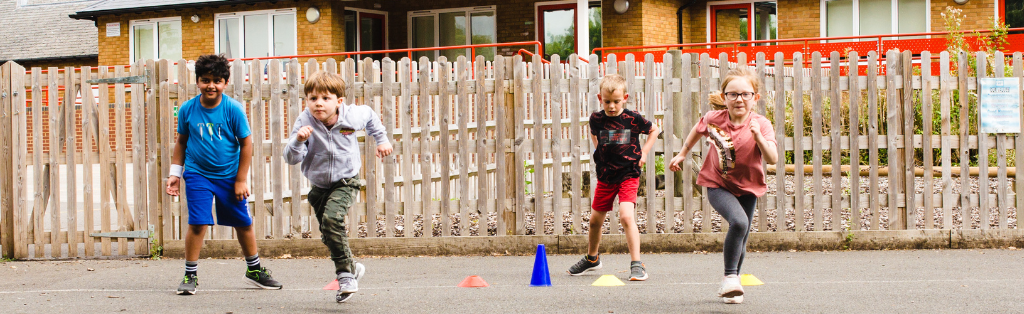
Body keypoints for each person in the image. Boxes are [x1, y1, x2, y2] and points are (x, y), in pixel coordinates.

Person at [166, 54, 282, 295]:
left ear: (225, 83)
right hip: (198, 175)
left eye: (217, 81)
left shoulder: (233, 109)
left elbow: (246, 144)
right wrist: (175, 174)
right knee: (197, 223)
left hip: (229, 177)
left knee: (243, 223)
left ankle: (254, 270)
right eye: (206, 80)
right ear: (197, 81)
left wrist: (240, 179)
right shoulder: (188, 109)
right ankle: (190, 274)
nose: (211, 85)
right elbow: (181, 142)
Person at [668, 67, 779, 304]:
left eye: (745, 94)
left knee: (742, 238)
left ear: (754, 98)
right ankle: (729, 277)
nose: (739, 99)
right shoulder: (713, 119)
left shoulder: (762, 123)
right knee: (739, 222)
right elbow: (695, 132)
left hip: (749, 186)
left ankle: (732, 285)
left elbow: (773, 158)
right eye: (733, 94)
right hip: (718, 183)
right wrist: (682, 154)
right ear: (724, 97)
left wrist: (758, 137)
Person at [284, 70, 393, 303]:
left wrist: (382, 139)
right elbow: (291, 158)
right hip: (319, 186)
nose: (319, 104)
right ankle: (353, 268)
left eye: (325, 98)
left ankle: (345, 276)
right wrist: (298, 141)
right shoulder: (304, 121)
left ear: (339, 101)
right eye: (313, 99)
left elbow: (371, 117)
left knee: (332, 221)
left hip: (346, 181)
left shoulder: (352, 116)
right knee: (328, 233)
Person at [567, 74, 661, 281]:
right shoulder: (596, 118)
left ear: (625, 98)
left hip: (628, 174)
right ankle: (592, 259)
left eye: (616, 102)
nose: (611, 106)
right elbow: (594, 133)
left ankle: (637, 264)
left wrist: (644, 152)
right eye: (607, 101)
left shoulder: (632, 118)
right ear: (600, 98)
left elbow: (654, 130)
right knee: (594, 221)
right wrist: (598, 150)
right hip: (606, 175)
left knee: (627, 216)